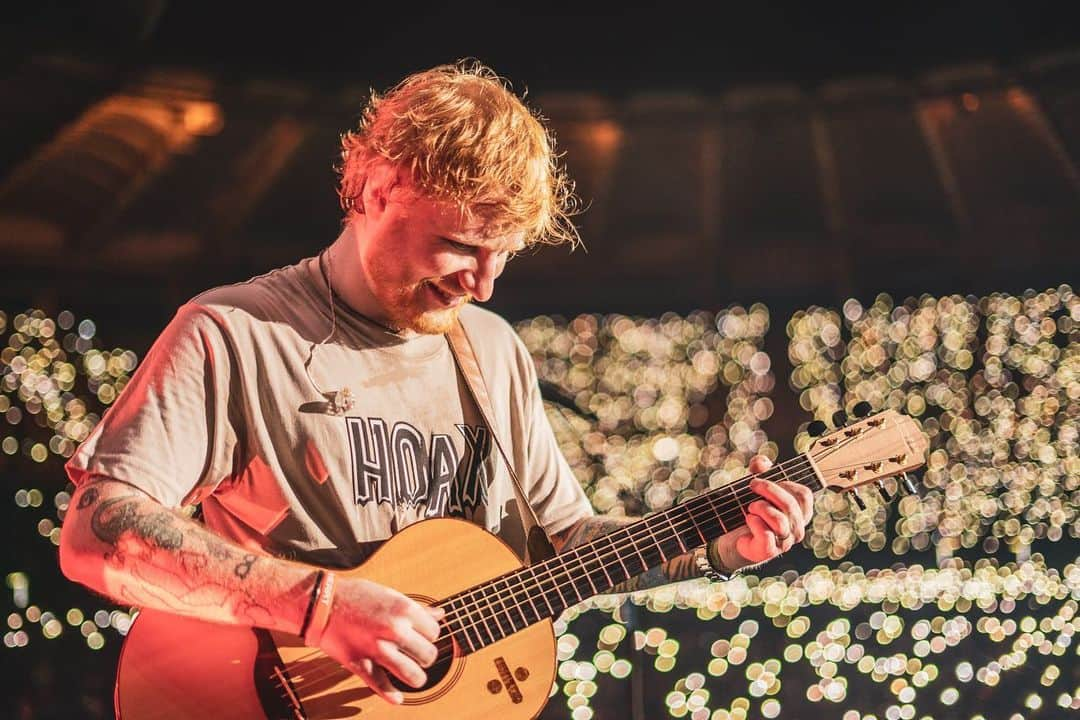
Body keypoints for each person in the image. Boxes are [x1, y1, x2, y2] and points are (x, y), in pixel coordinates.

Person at [59, 61, 813, 706]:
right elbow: (96, 536)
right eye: (460, 245)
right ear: (379, 189)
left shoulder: (492, 350)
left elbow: (575, 545)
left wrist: (719, 547)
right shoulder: (232, 333)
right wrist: (320, 608)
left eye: (505, 255)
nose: (483, 286)